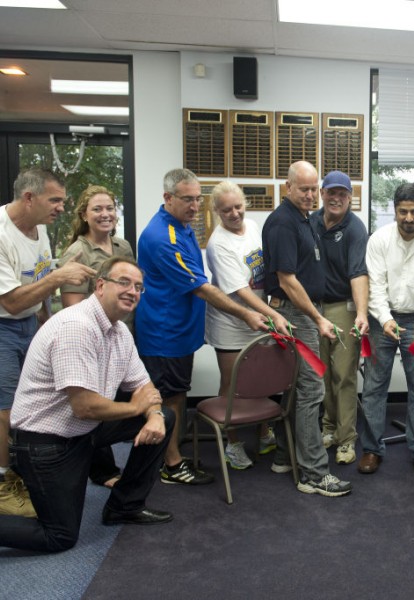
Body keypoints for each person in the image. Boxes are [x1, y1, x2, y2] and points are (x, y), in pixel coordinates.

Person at [0, 257, 174, 553]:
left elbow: (143, 386)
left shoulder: (118, 331)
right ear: (101, 285)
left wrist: (154, 414)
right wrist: (137, 408)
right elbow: (84, 406)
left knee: (166, 417)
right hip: (45, 443)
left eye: (138, 287)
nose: (133, 290)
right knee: (59, 536)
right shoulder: (76, 326)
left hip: (82, 431)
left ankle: (124, 506)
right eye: (124, 282)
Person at [136, 168, 269, 486]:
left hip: (181, 330)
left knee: (178, 394)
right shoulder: (163, 237)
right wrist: (246, 315)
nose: (195, 206)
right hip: (164, 332)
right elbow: (202, 287)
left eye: (198, 199)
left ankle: (171, 453)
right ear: (168, 198)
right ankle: (171, 465)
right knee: (168, 399)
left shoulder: (181, 225)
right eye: (187, 200)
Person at [0, 168, 94, 503]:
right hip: (3, 326)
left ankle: (28, 471)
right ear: (29, 198)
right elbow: (11, 302)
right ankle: (4, 487)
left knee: (35, 401)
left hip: (29, 323)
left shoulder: (38, 229)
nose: (61, 208)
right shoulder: (1, 233)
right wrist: (59, 278)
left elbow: (35, 287)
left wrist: (48, 324)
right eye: (54, 200)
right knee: (5, 409)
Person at [261, 161, 352, 497]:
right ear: (288, 187)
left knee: (297, 390)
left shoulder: (303, 219)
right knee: (312, 391)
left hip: (300, 314)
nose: (311, 195)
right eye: (304, 189)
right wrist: (317, 318)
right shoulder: (283, 223)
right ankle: (314, 474)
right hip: (297, 316)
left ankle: (286, 457)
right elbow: (287, 280)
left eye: (315, 189)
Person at [358, 182, 414, 477]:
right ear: (394, 211)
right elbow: (375, 287)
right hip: (380, 318)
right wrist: (384, 319)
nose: (409, 217)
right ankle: (371, 449)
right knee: (373, 388)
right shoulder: (379, 240)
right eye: (403, 211)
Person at [204, 181, 289, 470]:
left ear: (245, 204)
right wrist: (274, 316)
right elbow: (240, 291)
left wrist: (272, 309)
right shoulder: (218, 244)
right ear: (216, 210)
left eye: (238, 206)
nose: (234, 213)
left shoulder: (253, 227)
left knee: (259, 380)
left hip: (260, 318)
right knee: (232, 385)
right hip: (230, 323)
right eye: (226, 209)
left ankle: (265, 433)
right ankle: (233, 443)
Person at [60, 184, 134, 489]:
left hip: (122, 335)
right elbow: (71, 308)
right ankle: (102, 471)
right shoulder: (76, 252)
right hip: (91, 339)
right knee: (95, 403)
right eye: (97, 209)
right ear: (84, 215)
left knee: (115, 399)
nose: (105, 215)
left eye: (109, 208)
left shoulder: (123, 247)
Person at [310, 171, 369, 466]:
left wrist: (360, 312)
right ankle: (329, 428)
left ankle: (347, 440)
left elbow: (358, 272)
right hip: (313, 308)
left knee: (343, 375)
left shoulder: (355, 229)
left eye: (343, 194)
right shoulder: (310, 222)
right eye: (331, 192)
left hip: (342, 308)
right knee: (320, 373)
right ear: (322, 193)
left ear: (349, 197)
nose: (336, 198)